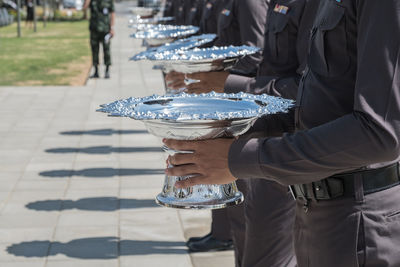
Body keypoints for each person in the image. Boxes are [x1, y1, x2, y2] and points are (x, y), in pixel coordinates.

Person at [164, 0, 400, 266]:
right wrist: (226, 129)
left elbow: (379, 134)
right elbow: (315, 102)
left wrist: (239, 157)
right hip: (313, 210)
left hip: (355, 220)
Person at [167, 1, 267, 265]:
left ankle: (223, 236)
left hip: (245, 109)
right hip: (226, 103)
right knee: (232, 200)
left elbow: (256, 55)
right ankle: (222, 234)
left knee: (247, 212)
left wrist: (220, 81)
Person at [83, 0, 115, 79]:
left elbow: (112, 13)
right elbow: (84, 9)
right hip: (94, 29)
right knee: (94, 50)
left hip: (105, 29)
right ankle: (96, 71)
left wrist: (112, 28)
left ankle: (107, 70)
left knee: (106, 50)